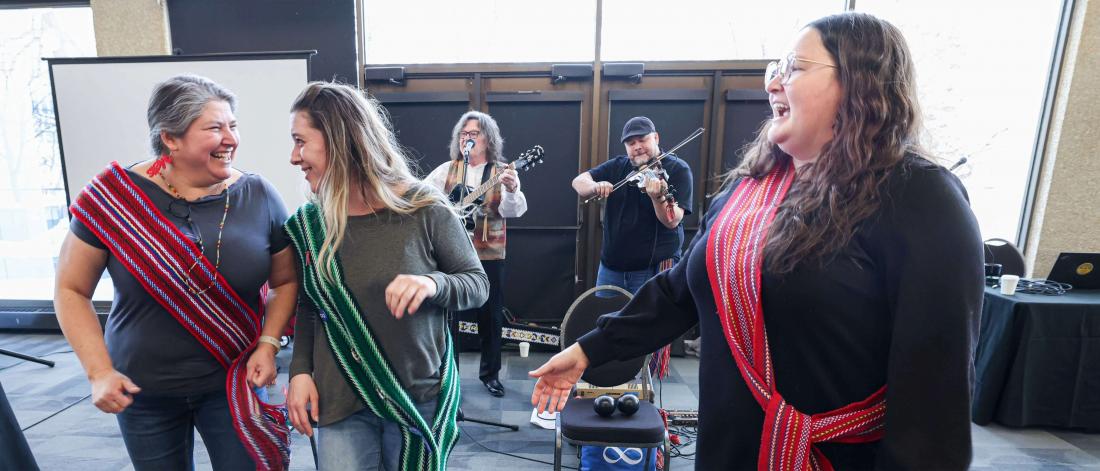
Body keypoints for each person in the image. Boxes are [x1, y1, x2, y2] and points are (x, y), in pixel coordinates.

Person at [533, 12, 984, 470]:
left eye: (795, 68)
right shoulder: (746, 192)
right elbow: (679, 292)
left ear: (860, 82)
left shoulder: (921, 199)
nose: (774, 85)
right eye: (776, 70)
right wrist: (588, 350)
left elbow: (933, 413)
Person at [54, 74, 295, 470]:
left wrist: (269, 344)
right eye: (215, 128)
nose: (231, 139)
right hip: (142, 389)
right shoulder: (112, 196)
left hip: (234, 382)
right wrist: (98, 372)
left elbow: (285, 282)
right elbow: (70, 289)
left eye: (232, 126)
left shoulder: (259, 194)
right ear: (170, 138)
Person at [285, 82, 489, 471]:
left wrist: (433, 283)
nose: (294, 157)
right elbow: (311, 305)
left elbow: (477, 285)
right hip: (341, 396)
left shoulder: (424, 208)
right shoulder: (311, 224)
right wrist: (299, 373)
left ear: (339, 140)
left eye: (300, 142)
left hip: (416, 395)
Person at [424, 111, 527, 397]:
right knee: (448, 316)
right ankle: (449, 376)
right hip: (450, 253)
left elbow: (513, 211)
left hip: (489, 253)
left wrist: (512, 188)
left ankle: (490, 374)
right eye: (463, 135)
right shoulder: (447, 170)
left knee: (490, 316)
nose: (467, 139)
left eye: (474, 134)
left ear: (488, 139)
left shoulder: (503, 172)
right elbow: (422, 199)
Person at [572, 116, 693, 295]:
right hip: (611, 270)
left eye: (642, 140)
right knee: (606, 320)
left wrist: (658, 197)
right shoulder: (618, 165)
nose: (637, 147)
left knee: (652, 322)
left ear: (656, 138)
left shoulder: (677, 169)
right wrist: (595, 186)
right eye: (630, 143)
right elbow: (578, 181)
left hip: (653, 270)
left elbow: (672, 220)